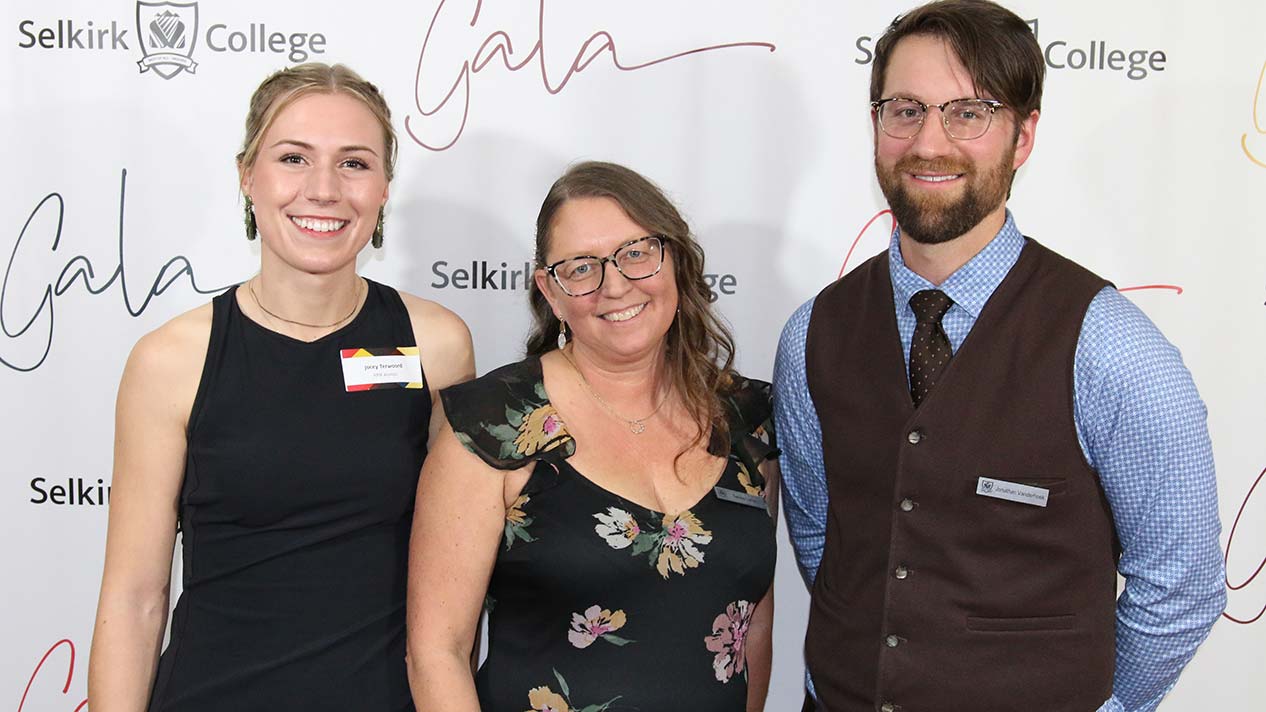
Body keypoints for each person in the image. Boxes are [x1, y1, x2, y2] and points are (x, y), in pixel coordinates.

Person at [773, 2, 1225, 711]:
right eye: (906, 110)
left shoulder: (1112, 349)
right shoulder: (813, 333)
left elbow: (1181, 588)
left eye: (969, 112)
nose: (929, 142)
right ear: (876, 125)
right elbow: (821, 538)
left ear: (1023, 136)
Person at [87, 63, 474, 711]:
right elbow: (134, 599)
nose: (323, 189)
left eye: (354, 163)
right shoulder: (172, 361)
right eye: (294, 158)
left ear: (384, 187)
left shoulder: (436, 346)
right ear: (248, 175)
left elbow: (456, 588)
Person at [406, 161, 778, 711]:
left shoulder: (744, 417)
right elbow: (437, 652)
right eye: (581, 268)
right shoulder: (494, 423)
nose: (616, 284)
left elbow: (753, 627)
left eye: (636, 253)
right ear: (551, 293)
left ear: (675, 260)